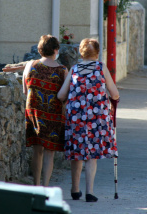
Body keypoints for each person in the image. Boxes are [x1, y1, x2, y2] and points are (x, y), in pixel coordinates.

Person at [57, 38, 120, 202]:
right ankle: (89, 192)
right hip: (96, 118)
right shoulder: (101, 68)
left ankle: (74, 189)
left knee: (77, 152)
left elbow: (61, 95)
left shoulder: (75, 69)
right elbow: (115, 94)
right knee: (91, 154)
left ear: (81, 52)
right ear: (97, 52)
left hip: (76, 117)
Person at [23, 35, 68, 186]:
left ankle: (35, 185)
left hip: (34, 112)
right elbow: (64, 96)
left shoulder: (31, 65)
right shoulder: (62, 70)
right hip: (54, 114)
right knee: (49, 152)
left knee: (37, 150)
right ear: (56, 50)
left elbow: (25, 90)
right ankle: (45, 186)